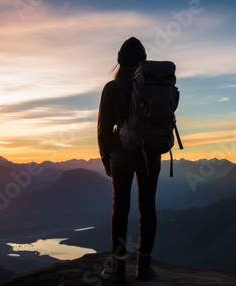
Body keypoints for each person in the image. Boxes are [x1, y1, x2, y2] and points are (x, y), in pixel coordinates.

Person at [97, 37, 160, 283]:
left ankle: (118, 268)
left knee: (120, 209)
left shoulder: (112, 88)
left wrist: (105, 157)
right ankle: (143, 268)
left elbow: (104, 128)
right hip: (150, 153)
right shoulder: (155, 85)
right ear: (143, 60)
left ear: (120, 62)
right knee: (148, 209)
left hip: (121, 154)